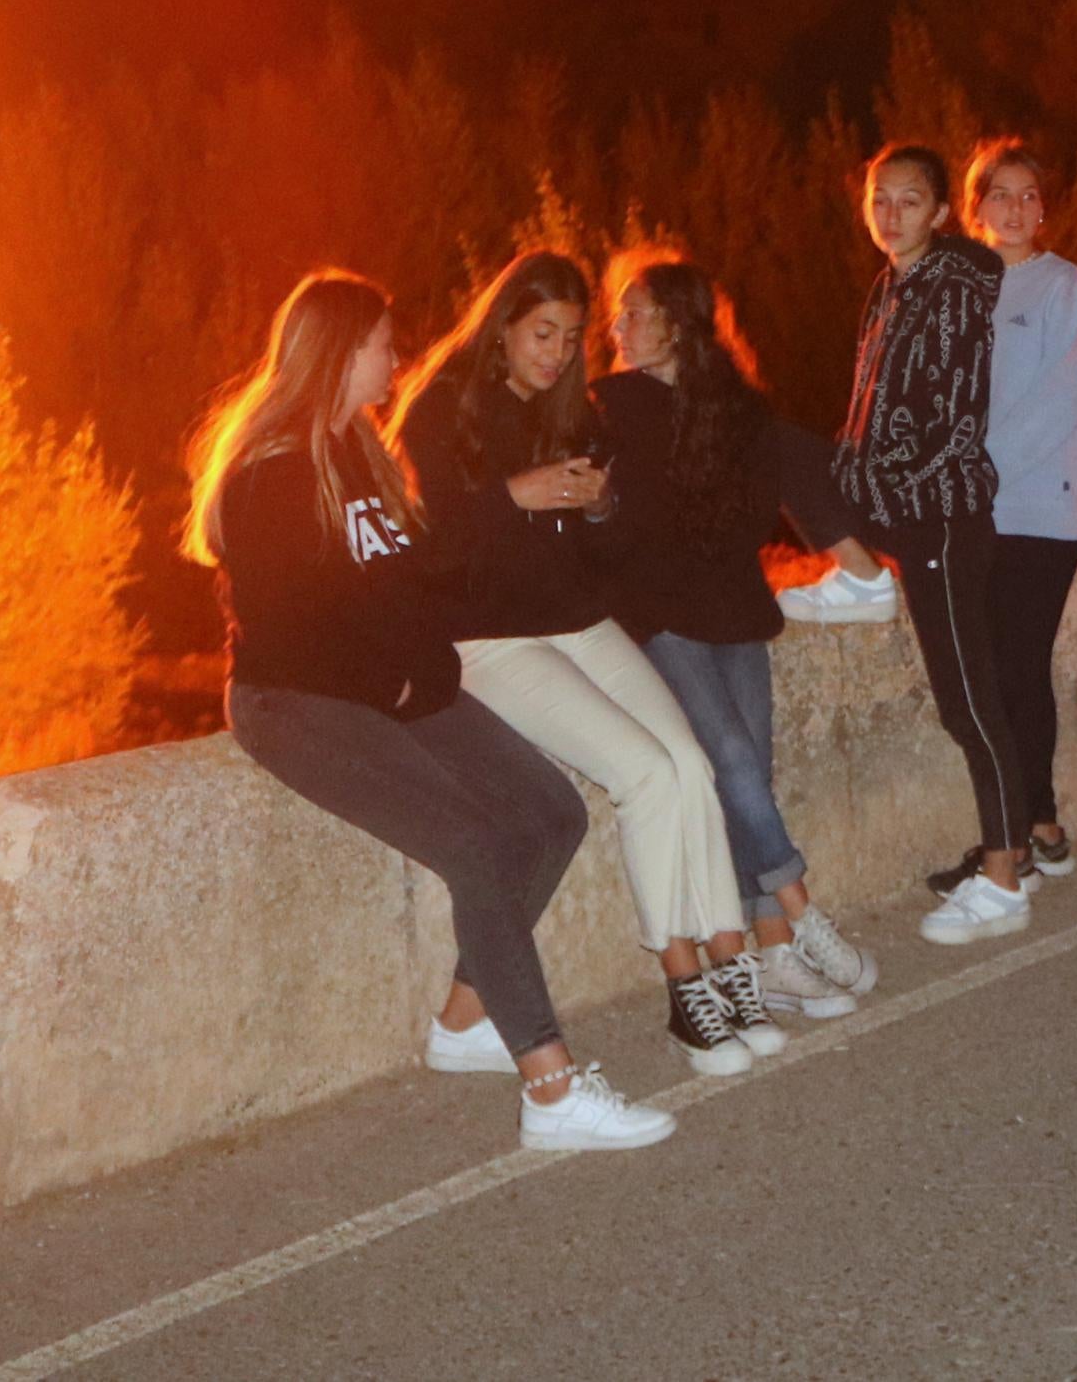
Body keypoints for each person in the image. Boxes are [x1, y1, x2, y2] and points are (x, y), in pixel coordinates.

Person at [191, 272, 667, 1154]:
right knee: (475, 845)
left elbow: (409, 579)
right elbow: (287, 625)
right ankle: (551, 1087)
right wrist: (396, 684)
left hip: (392, 684)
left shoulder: (360, 451)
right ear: (339, 352)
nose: (394, 357)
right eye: (380, 342)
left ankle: (462, 1019)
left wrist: (428, 664)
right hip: (298, 701)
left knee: (551, 812)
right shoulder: (274, 470)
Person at [396, 252, 784, 1077]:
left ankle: (729, 961)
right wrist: (515, 495)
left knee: (691, 762)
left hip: (579, 621)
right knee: (643, 772)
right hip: (488, 640)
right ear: (502, 323)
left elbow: (608, 546)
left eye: (572, 337)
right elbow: (430, 550)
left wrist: (600, 505)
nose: (557, 352)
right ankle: (684, 989)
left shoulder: (572, 409)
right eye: (543, 333)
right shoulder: (440, 412)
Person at [589, 249, 883, 1023]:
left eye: (635, 311)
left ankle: (774, 951)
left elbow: (770, 502)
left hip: (736, 608)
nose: (617, 325)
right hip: (661, 614)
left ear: (678, 324)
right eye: (617, 312)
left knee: (753, 770)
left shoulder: (737, 411)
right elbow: (612, 522)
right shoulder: (608, 405)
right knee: (727, 758)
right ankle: (804, 912)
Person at [832, 143, 1035, 944]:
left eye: (908, 200)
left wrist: (875, 492)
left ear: (942, 211)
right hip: (904, 510)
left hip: (939, 517)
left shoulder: (952, 284)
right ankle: (1007, 851)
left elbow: (948, 416)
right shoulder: (891, 285)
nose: (890, 215)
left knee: (968, 700)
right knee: (968, 696)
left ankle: (1004, 875)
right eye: (879, 199)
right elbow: (868, 406)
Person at [957, 137, 1077, 883]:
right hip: (975, 513)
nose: (1012, 208)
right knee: (990, 672)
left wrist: (972, 474)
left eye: (1026, 195)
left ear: (1042, 208)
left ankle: (1018, 830)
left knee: (1016, 664)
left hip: (1039, 509)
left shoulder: (1060, 286)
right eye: (998, 194)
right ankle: (1029, 821)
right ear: (974, 206)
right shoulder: (962, 289)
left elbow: (1057, 401)